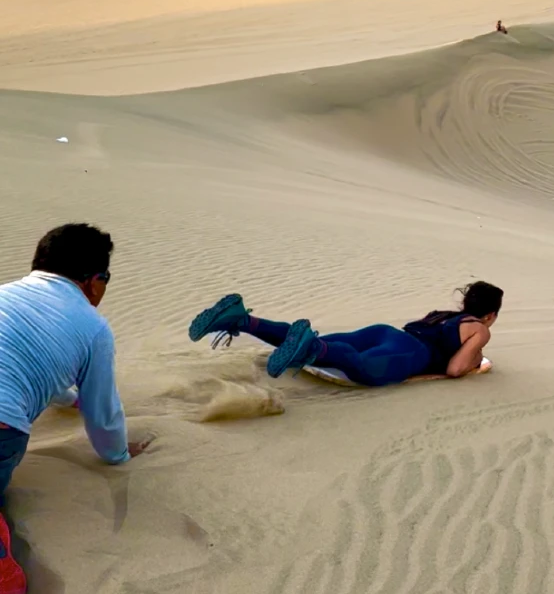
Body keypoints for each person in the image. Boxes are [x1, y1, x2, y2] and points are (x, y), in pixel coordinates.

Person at [0, 224, 150, 590]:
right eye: (107, 278)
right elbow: (103, 414)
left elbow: (22, 362)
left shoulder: (5, 294)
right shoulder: (93, 327)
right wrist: (118, 455)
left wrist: (69, 397)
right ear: (93, 280)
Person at [188, 281, 503, 385]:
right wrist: (476, 355)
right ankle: (311, 350)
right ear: (490, 314)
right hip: (412, 354)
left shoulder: (444, 315)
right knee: (362, 368)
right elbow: (455, 368)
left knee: (329, 342)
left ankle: (242, 320)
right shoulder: (479, 329)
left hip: (385, 333)